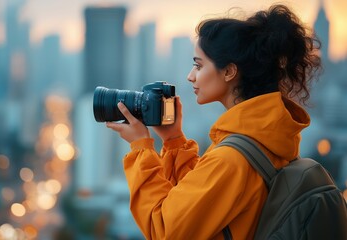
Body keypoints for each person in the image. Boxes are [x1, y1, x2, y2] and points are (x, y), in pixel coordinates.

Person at [106, 4, 321, 239]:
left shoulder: (233, 158)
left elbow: (164, 229)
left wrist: (140, 148)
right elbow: (199, 203)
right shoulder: (263, 137)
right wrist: (174, 141)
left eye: (199, 65)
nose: (191, 76)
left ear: (229, 71)